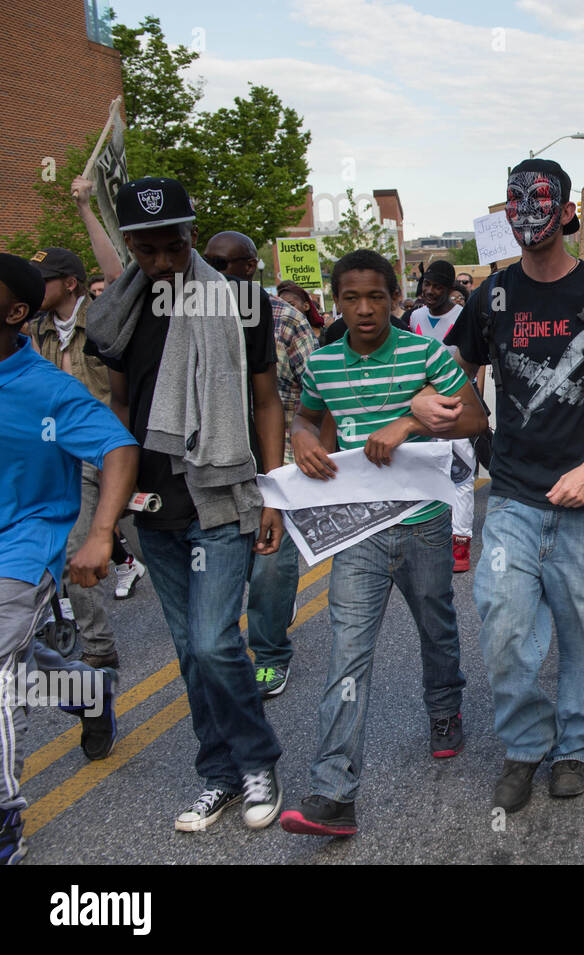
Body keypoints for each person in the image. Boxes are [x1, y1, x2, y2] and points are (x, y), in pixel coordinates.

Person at [445, 158, 584, 812]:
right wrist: (455, 411)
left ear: (568, 211)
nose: (528, 211)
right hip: (513, 496)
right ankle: (523, 744)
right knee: (504, 622)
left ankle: (573, 747)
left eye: (542, 199)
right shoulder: (493, 293)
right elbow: (457, 363)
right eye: (515, 200)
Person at [86, 177, 286, 833]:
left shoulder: (243, 302)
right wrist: (107, 512)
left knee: (213, 642)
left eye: (174, 246)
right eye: (148, 252)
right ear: (129, 247)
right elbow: (119, 407)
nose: (165, 263)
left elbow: (266, 402)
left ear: (191, 235)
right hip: (152, 505)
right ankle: (219, 774)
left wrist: (274, 496)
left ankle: (257, 762)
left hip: (222, 493)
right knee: (188, 649)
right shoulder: (118, 311)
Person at [277, 249, 484, 837]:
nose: (364, 309)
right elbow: (308, 416)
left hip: (422, 521)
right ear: (335, 302)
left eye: (376, 297)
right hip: (358, 529)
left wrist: (413, 422)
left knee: (436, 624)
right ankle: (332, 792)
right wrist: (300, 438)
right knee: (349, 652)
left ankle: (444, 710)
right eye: (351, 298)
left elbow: (476, 419)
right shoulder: (322, 363)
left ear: (397, 301)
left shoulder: (425, 353)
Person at [0, 253, 137, 864]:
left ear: (16, 312)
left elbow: (117, 445)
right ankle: (84, 690)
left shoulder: (49, 391)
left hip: (22, 552)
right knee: (22, 662)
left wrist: (101, 533)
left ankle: (4, 817)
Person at [206, 233, 317, 699]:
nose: (213, 271)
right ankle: (223, 652)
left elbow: (316, 390)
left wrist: (312, 453)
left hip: (278, 463)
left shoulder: (286, 320)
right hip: (217, 464)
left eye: (224, 263)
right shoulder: (196, 315)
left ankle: (270, 655)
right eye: (208, 262)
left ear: (251, 267)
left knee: (271, 565)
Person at [27, 247, 135, 668]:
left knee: (155, 543)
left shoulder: (105, 318)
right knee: (74, 552)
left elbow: (118, 271)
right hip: (71, 454)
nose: (36, 289)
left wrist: (87, 206)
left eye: (44, 280)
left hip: (118, 449)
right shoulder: (38, 332)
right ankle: (99, 648)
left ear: (69, 283)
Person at [408, 258, 481, 573]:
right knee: (426, 473)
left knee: (461, 475)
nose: (430, 291)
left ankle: (460, 542)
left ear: (451, 289)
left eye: (438, 286)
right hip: (423, 408)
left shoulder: (465, 317)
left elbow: (474, 362)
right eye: (427, 284)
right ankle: (431, 536)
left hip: (457, 407)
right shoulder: (415, 317)